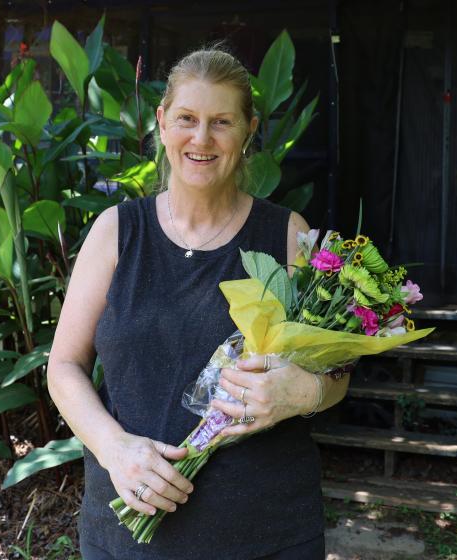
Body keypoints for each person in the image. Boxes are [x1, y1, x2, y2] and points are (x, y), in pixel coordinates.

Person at [47, 46, 351, 559]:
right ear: (163, 123)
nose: (201, 138)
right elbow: (64, 366)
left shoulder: (286, 235)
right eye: (187, 118)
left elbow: (336, 371)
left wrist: (304, 394)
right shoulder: (117, 232)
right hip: (129, 533)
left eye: (222, 122)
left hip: (266, 535)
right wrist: (114, 449)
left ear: (249, 130)